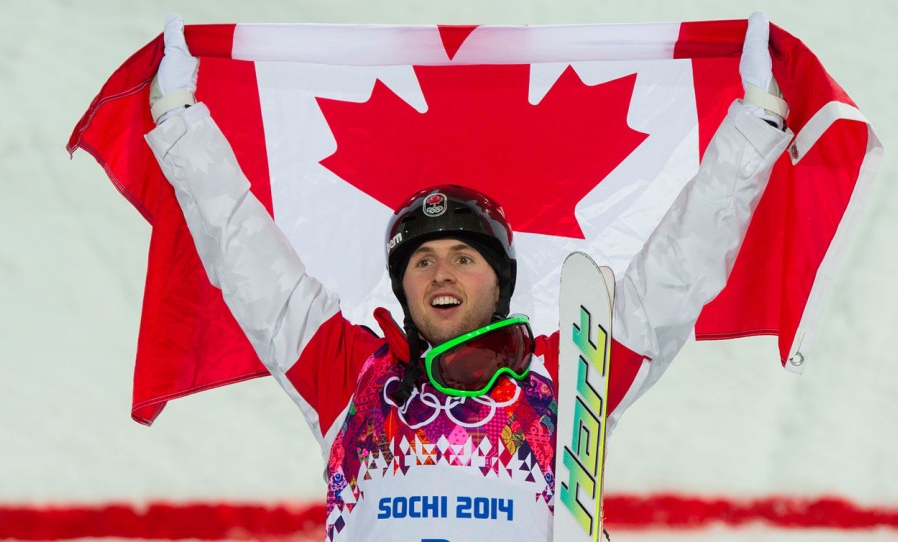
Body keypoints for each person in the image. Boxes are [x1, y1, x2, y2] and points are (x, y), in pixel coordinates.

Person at [145, 13, 792, 541]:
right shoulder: (345, 375)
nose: (439, 272)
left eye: (463, 256)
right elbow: (245, 254)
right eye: (420, 261)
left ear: (500, 281)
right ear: (401, 287)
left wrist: (753, 125)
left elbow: (676, 273)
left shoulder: (569, 377)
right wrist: (179, 122)